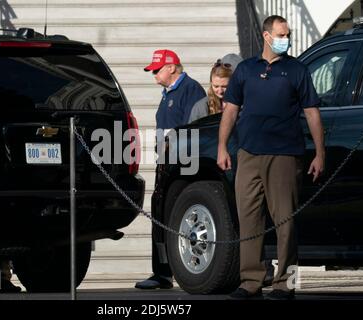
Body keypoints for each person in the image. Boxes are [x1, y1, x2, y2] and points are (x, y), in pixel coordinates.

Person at [218, 15, 324, 300]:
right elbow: (230, 109)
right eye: (281, 34)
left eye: (287, 34)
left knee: (285, 221)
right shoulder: (245, 70)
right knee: (249, 219)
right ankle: (250, 281)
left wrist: (320, 153)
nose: (285, 38)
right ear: (266, 36)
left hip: (285, 155)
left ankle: (285, 284)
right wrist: (221, 147)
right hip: (249, 153)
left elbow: (312, 112)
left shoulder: (297, 70)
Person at [135, 49, 206, 289]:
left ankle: (180, 270)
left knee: (175, 216)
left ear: (172, 67)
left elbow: (191, 129)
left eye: (157, 69)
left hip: (182, 164)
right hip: (165, 162)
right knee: (160, 215)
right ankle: (162, 272)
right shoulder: (167, 93)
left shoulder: (191, 90)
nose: (153, 74)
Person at [189, 54, 242, 122]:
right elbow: (188, 132)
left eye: (224, 86)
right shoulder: (201, 107)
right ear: (211, 83)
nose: (220, 91)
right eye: (216, 86)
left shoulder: (245, 104)